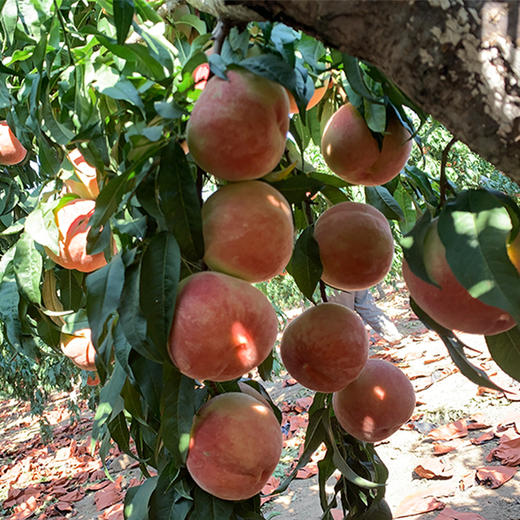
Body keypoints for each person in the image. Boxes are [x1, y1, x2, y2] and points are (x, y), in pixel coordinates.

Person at [329, 288, 402, 344]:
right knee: (368, 306)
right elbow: (368, 307)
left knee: (339, 319)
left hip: (331, 280)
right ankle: (393, 335)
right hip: (351, 273)